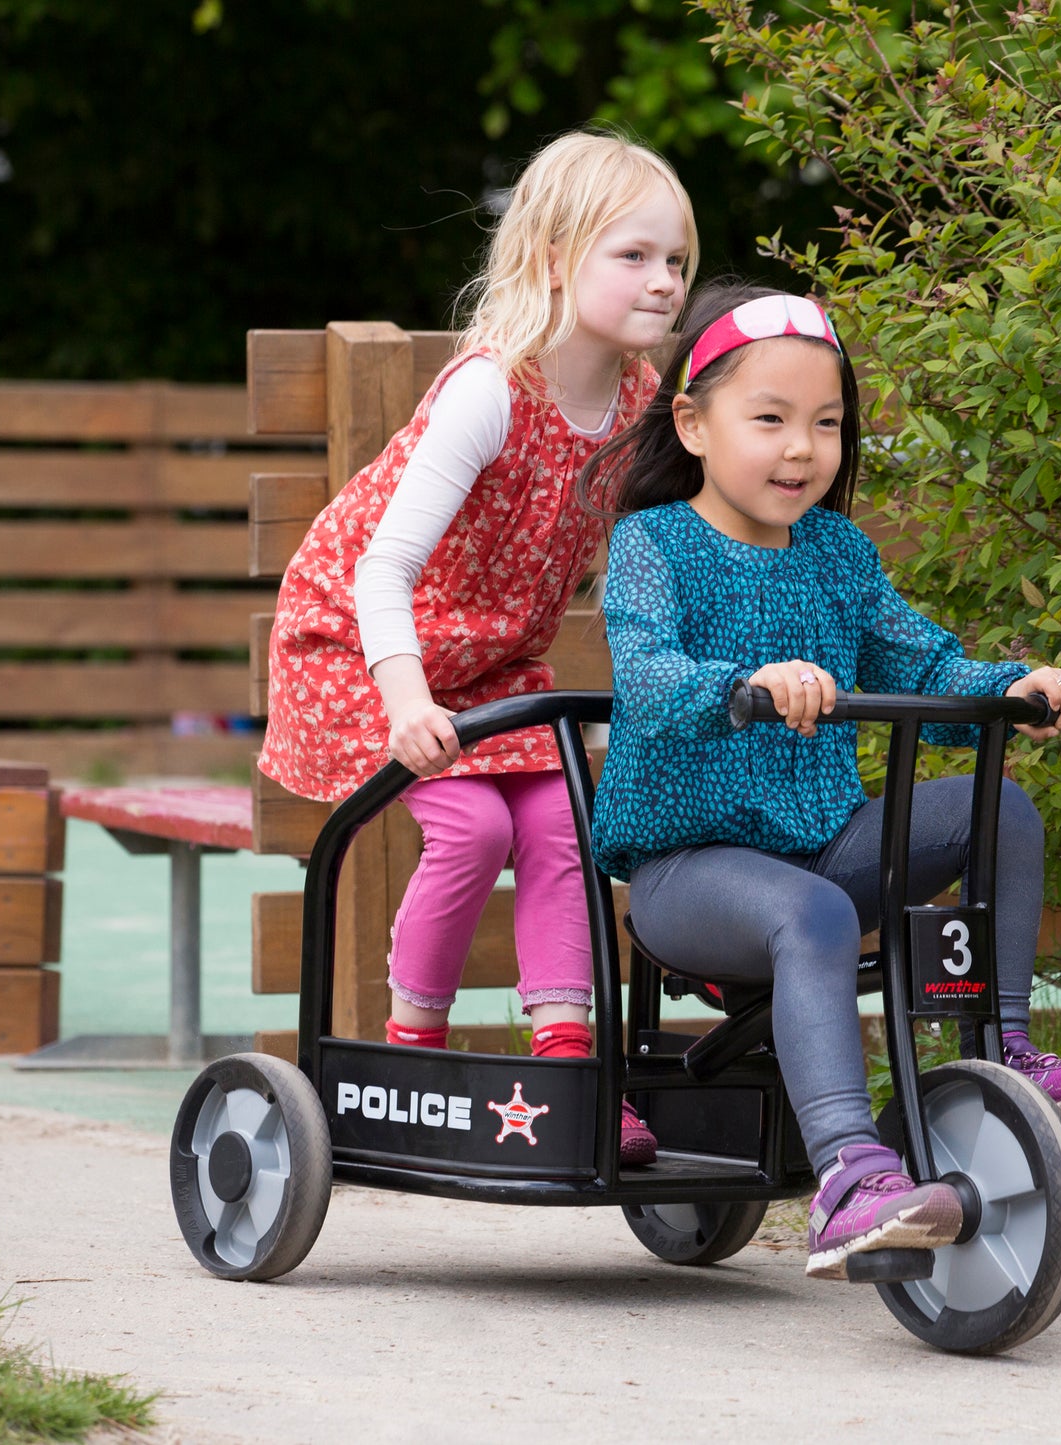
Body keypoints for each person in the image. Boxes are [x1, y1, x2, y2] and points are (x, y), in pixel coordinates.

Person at [579, 281, 1061, 1278]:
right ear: (693, 422)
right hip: (686, 866)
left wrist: (1017, 685)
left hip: (820, 843)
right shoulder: (652, 545)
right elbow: (648, 674)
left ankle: (1005, 1049)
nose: (802, 449)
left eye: (825, 424)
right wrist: (742, 683)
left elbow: (922, 665)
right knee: (816, 916)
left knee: (995, 806)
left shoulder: (835, 552)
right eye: (770, 419)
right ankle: (845, 1173)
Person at [258, 130, 699, 1166]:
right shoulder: (490, 390)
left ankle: (569, 1067)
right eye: (632, 255)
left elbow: (665, 545)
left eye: (675, 260)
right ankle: (410, 1056)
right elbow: (380, 568)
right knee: (467, 828)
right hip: (367, 646)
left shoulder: (640, 406)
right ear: (554, 259)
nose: (663, 280)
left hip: (494, 665)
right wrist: (406, 699)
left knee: (561, 826)